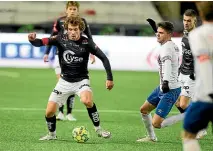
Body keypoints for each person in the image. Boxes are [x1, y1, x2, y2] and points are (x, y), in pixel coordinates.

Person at [28, 16, 114, 140]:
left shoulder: (87, 42)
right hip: (64, 82)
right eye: (70, 29)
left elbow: (104, 58)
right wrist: (32, 40)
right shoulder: (60, 39)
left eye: (75, 29)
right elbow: (41, 42)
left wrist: (109, 78)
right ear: (66, 29)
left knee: (87, 101)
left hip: (81, 81)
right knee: (49, 112)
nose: (72, 32)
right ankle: (52, 135)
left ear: (80, 29)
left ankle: (99, 130)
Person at [43, 1, 96, 121]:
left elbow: (89, 37)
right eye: (70, 9)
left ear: (78, 11)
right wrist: (46, 53)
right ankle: (61, 113)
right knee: (63, 82)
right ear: (66, 10)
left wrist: (92, 53)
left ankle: (69, 113)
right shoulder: (60, 21)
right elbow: (52, 36)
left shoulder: (82, 22)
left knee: (72, 82)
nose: (72, 11)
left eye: (74, 9)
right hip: (60, 56)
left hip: (77, 56)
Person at [137, 21, 181, 142]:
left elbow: (167, 64)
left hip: (169, 88)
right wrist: (157, 30)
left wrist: (166, 82)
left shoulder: (166, 48)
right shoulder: (170, 44)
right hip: (163, 86)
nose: (157, 35)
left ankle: (186, 115)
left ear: (169, 34)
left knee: (157, 123)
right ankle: (151, 138)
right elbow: (162, 39)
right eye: (157, 32)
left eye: (161, 33)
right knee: (144, 110)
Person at [182, 2, 213, 151]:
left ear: (200, 15)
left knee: (188, 135)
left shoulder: (197, 35)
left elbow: (204, 60)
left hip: (206, 96)